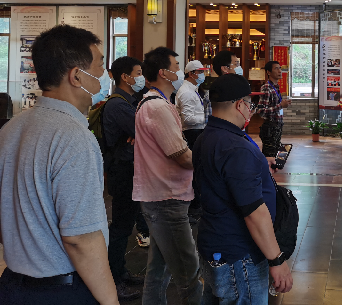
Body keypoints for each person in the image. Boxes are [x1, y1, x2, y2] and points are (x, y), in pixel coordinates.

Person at [0, 24, 118, 305]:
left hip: (12, 284)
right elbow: (81, 239)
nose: (104, 76)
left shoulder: (11, 128)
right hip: (60, 289)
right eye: (100, 66)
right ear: (77, 76)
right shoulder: (74, 137)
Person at [193, 74, 293, 304]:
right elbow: (254, 212)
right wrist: (276, 259)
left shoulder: (207, 137)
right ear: (240, 105)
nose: (251, 110)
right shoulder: (235, 147)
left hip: (215, 240)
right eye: (250, 104)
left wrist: (259, 165)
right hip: (240, 254)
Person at [133, 47, 202, 305]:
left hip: (162, 195)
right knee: (188, 272)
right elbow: (181, 156)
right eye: (176, 66)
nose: (179, 71)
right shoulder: (157, 106)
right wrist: (212, 162)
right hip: (166, 198)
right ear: (163, 72)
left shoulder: (159, 102)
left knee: (158, 270)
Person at [102, 56, 149, 301]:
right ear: (125, 77)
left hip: (128, 168)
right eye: (138, 73)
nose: (142, 77)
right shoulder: (118, 105)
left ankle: (120, 271)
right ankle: (114, 279)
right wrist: (139, 134)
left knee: (125, 224)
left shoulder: (129, 102)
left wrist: (139, 134)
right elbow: (147, 131)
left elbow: (142, 131)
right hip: (122, 171)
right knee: (121, 227)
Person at [257, 61, 292, 157]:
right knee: (269, 156)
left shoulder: (276, 87)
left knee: (277, 156)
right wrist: (280, 105)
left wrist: (283, 104)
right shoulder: (266, 88)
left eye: (280, 68)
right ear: (268, 72)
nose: (280, 71)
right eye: (276, 68)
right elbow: (261, 111)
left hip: (277, 126)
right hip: (270, 127)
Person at [176, 60, 208, 150]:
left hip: (196, 131)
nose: (203, 75)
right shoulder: (187, 92)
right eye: (200, 72)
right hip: (192, 133)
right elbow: (187, 119)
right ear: (191, 74)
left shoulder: (193, 89)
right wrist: (206, 118)